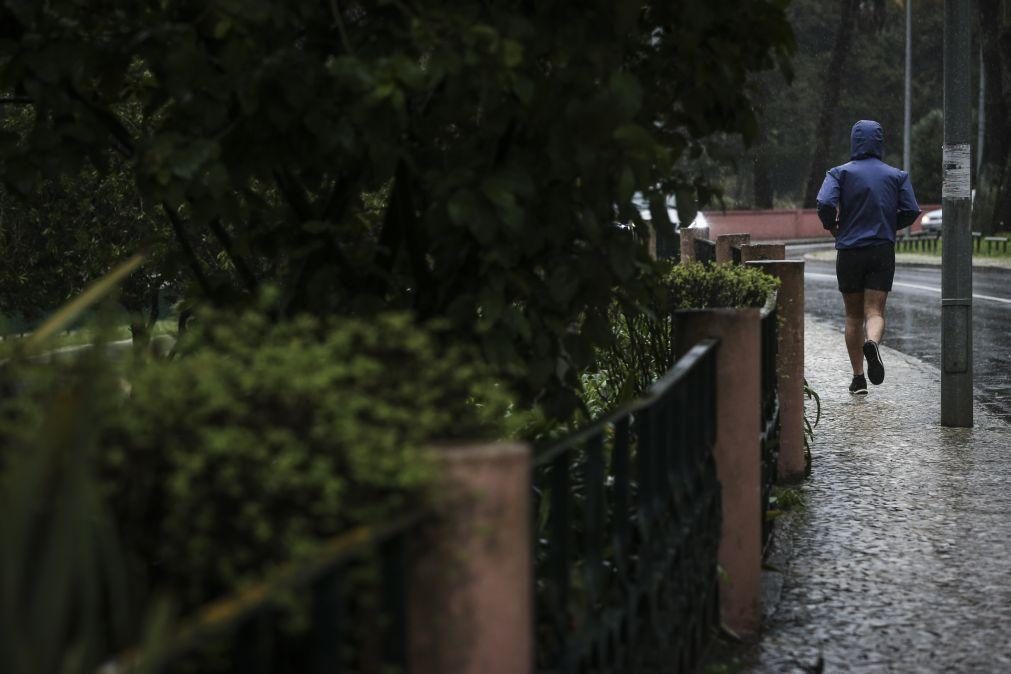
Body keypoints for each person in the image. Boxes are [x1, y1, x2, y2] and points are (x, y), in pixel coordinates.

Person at [816, 120, 921, 395]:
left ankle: (858, 378)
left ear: (854, 141)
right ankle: (872, 343)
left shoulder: (839, 173)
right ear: (879, 142)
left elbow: (826, 203)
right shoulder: (897, 176)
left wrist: (833, 226)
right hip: (881, 250)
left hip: (849, 250)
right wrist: (889, 224)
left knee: (852, 316)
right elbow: (911, 210)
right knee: (875, 311)